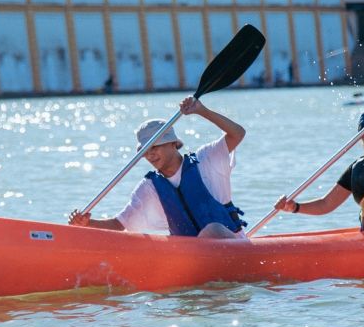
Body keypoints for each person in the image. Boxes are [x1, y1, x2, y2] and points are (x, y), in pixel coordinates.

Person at [68, 97, 247, 238]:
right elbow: (119, 225)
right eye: (145, 150)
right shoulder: (149, 188)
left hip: (232, 246)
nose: (149, 154)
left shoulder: (206, 159)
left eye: (155, 147)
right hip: (190, 257)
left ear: (173, 144)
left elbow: (237, 133)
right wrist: (87, 224)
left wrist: (201, 110)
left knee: (212, 230)